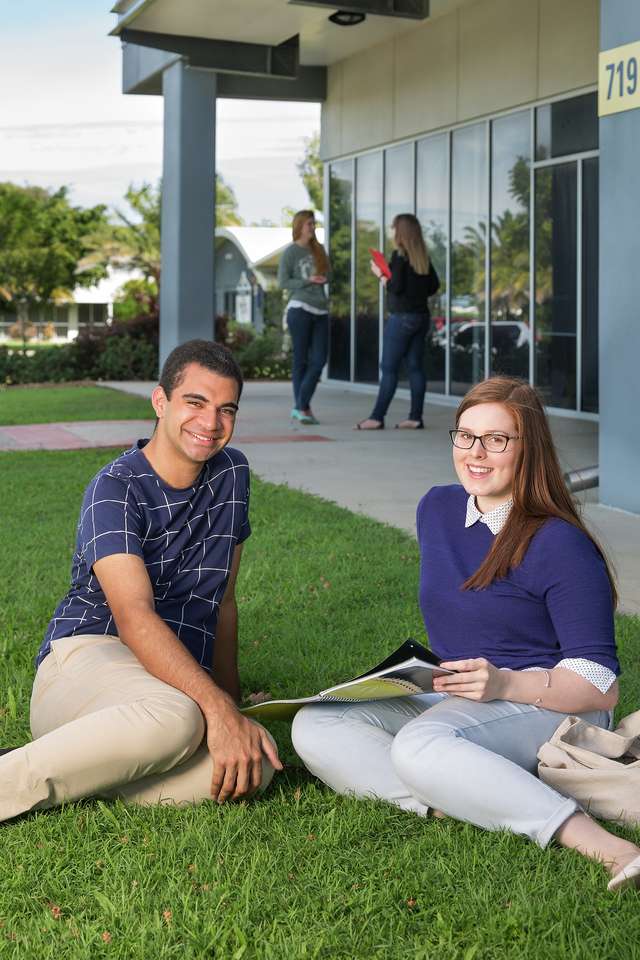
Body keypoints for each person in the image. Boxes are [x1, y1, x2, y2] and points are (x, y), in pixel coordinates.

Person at [294, 376, 640, 891]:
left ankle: (606, 847)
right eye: (465, 435)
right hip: (463, 690)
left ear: (529, 450)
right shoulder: (436, 509)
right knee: (315, 725)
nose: (476, 453)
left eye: (497, 439)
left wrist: (503, 684)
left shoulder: (558, 543)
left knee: (419, 746)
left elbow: (599, 686)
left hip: (550, 700)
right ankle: (461, 799)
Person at [0, 339, 282, 822]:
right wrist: (214, 706)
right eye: (195, 402)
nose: (210, 424)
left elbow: (225, 601)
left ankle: (91, 771)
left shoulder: (232, 473)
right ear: (160, 401)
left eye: (225, 409)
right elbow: (133, 617)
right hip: (86, 660)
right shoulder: (115, 488)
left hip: (163, 684)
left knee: (256, 760)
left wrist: (232, 707)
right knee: (179, 719)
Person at [356, 213, 439, 431]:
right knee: (415, 368)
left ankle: (376, 417)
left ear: (400, 232)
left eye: (394, 229)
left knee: (389, 368)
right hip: (421, 318)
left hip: (402, 318)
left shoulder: (400, 257)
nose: (392, 233)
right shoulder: (422, 257)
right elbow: (433, 287)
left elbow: (395, 287)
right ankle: (415, 418)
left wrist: (381, 275)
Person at [278, 210, 330, 425]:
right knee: (301, 360)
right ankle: (303, 408)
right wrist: (307, 280)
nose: (312, 227)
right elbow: (283, 282)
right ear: (299, 226)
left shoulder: (319, 250)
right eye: (309, 223)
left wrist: (322, 277)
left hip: (321, 309)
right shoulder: (290, 252)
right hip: (299, 308)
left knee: (319, 361)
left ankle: (300, 406)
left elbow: (329, 274)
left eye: (314, 223)